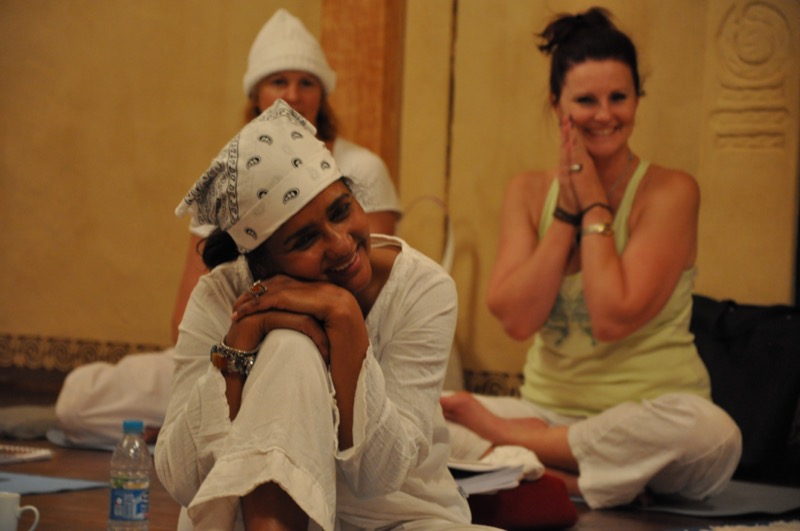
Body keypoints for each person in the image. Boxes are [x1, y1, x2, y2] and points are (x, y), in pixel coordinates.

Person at [54, 8, 402, 446]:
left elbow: (363, 282)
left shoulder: (360, 168)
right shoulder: (231, 184)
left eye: (306, 82)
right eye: (279, 81)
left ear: (323, 94)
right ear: (255, 94)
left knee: (293, 374)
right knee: (79, 400)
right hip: (232, 342)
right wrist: (237, 349)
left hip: (329, 350)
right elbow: (188, 314)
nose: (292, 95)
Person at [440, 7, 742, 510]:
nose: (605, 115)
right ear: (557, 103)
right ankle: (582, 480)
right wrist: (565, 210)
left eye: (618, 97)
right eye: (586, 100)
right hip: (547, 410)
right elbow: (516, 320)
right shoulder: (528, 192)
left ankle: (525, 454)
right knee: (423, 414)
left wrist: (595, 202)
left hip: (648, 416)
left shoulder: (671, 192)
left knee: (713, 435)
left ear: (637, 99)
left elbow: (611, 317)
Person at [155, 99, 498, 531]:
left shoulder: (421, 288)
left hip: (396, 517)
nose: (340, 244)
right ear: (261, 265)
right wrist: (239, 343)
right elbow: (181, 480)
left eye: (341, 211)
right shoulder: (221, 295)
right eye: (304, 240)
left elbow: (378, 478)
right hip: (244, 517)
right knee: (288, 345)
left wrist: (346, 323)